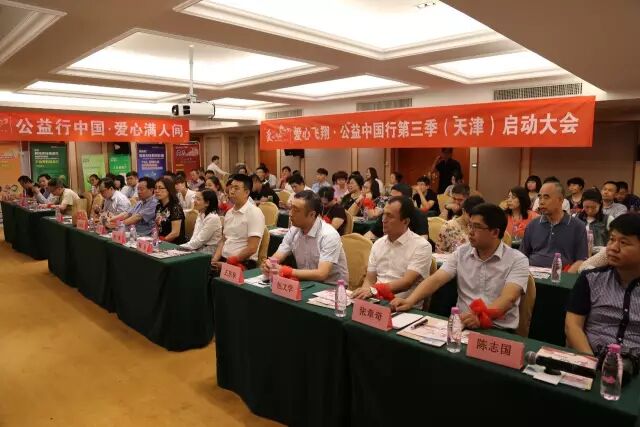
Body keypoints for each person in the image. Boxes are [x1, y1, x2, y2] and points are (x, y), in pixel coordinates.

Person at [392, 203, 529, 332]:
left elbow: (508, 298)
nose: (470, 232)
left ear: (495, 232)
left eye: (476, 227)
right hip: (463, 325)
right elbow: (436, 279)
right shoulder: (461, 253)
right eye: (470, 225)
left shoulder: (517, 260)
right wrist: (410, 301)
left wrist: (481, 316)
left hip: (498, 329)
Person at [565, 214, 640, 355]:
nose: (613, 248)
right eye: (612, 239)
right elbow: (572, 326)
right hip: (592, 357)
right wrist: (591, 362)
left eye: (624, 243)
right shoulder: (591, 279)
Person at [352, 197, 433, 305]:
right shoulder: (378, 243)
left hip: (403, 306)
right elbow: (370, 279)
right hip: (376, 301)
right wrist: (363, 294)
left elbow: (406, 282)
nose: (383, 220)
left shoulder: (421, 246)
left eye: (390, 216)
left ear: (405, 221)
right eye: (383, 214)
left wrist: (374, 290)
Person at [263, 190, 349, 284]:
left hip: (331, 286)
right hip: (306, 281)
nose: (290, 214)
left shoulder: (329, 235)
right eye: (291, 208)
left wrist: (287, 271)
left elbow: (321, 274)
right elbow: (279, 255)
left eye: (296, 210)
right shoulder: (294, 230)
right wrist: (270, 264)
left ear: (312, 214)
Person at [520, 181, 588, 268]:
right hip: (532, 272)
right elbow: (522, 255)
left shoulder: (577, 226)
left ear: (560, 200)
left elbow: (581, 260)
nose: (541, 202)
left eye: (546, 197)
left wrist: (565, 275)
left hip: (561, 273)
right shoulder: (533, 224)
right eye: (540, 197)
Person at [211, 174, 266, 270]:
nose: (231, 191)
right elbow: (223, 240)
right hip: (225, 259)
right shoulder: (229, 213)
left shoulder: (254, 213)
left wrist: (228, 264)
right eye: (231, 187)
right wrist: (214, 260)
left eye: (236, 188)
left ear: (246, 192)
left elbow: (252, 248)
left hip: (243, 262)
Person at [364, 184, 429, 240]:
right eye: (391, 198)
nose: (391, 201)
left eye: (396, 198)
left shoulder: (419, 215)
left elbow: (423, 241)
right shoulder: (387, 213)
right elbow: (372, 233)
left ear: (409, 199)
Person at [180, 190, 222, 254]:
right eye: (195, 198)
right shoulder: (201, 214)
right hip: (198, 247)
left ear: (207, 203)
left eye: (198, 199)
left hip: (209, 251)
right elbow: (195, 237)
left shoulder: (213, 218)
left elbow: (200, 241)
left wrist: (180, 247)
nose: (194, 201)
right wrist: (183, 247)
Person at [154, 177, 187, 244]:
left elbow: (175, 233)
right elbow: (157, 227)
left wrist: (160, 242)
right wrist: (155, 240)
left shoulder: (175, 208)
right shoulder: (159, 207)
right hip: (161, 242)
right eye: (155, 188)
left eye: (160, 188)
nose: (157, 191)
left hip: (174, 245)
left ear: (169, 190)